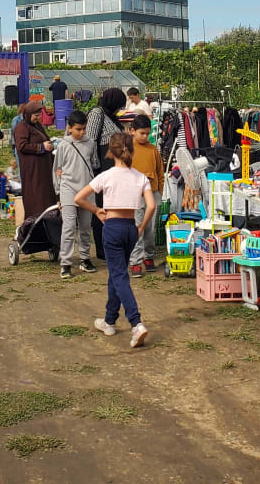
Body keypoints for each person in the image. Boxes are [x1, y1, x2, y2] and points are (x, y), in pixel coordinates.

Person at [75, 133, 154, 349]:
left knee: (119, 275)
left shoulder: (106, 176)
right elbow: (152, 206)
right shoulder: (140, 178)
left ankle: (136, 322)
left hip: (111, 227)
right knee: (116, 273)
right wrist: (140, 227)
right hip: (130, 228)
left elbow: (78, 198)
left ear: (111, 152)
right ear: (132, 151)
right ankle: (109, 320)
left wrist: (96, 210)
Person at [84, 88, 128, 259]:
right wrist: (96, 166)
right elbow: (91, 140)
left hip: (114, 166)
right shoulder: (97, 113)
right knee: (102, 207)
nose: (119, 109)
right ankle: (102, 248)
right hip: (102, 166)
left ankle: (112, 245)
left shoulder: (110, 116)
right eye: (118, 105)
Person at [52, 110, 96, 279]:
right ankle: (66, 262)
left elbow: (94, 164)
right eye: (78, 129)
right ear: (69, 128)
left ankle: (85, 259)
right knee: (69, 227)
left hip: (86, 190)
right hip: (68, 189)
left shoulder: (90, 143)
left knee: (85, 227)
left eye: (84, 128)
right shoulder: (63, 144)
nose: (82, 132)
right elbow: (57, 169)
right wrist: (58, 193)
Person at [127, 115, 163, 277]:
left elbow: (160, 173)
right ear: (132, 131)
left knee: (150, 229)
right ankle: (135, 261)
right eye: (141, 133)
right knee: (137, 228)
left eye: (147, 133)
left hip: (152, 194)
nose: (145, 136)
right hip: (134, 196)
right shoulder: (127, 150)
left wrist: (159, 193)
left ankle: (149, 257)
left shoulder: (153, 149)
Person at [14, 100, 57, 224]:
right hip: (32, 169)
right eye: (35, 115)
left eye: (39, 115)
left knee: (45, 194)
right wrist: (41, 147)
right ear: (28, 114)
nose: (37, 118)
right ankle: (35, 222)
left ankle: (47, 221)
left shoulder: (37, 126)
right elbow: (22, 146)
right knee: (35, 194)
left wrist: (50, 145)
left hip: (43, 167)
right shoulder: (21, 127)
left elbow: (44, 138)